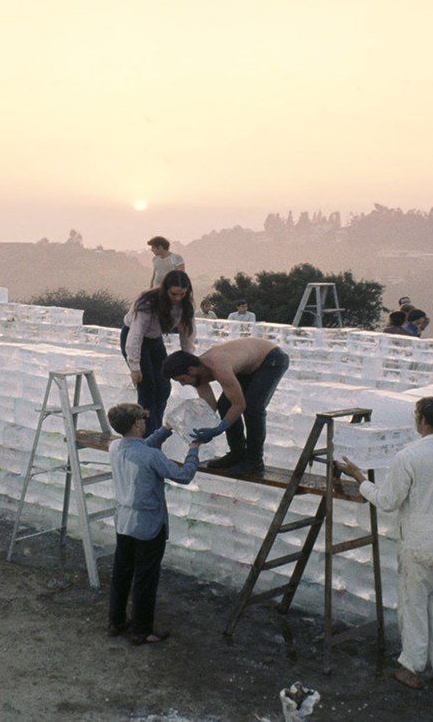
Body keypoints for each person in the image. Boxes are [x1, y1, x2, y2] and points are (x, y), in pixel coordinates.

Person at [338, 396, 433, 699]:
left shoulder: (410, 456)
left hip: (424, 539)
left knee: (414, 605)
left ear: (422, 420)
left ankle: (411, 668)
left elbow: (388, 502)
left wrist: (361, 480)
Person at [105, 403, 200, 645]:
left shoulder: (114, 447)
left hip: (124, 521)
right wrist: (193, 450)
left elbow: (140, 447)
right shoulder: (152, 456)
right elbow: (184, 475)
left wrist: (165, 430)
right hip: (148, 524)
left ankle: (116, 622)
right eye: (143, 420)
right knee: (146, 578)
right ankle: (141, 630)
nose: (145, 423)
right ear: (137, 424)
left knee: (122, 573)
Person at [161, 337, 290, 476]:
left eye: (182, 380)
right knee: (224, 404)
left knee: (253, 408)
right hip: (248, 366)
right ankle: (237, 453)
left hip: (271, 359)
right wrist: (195, 424)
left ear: (191, 370)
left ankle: (254, 460)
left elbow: (239, 405)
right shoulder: (199, 373)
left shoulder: (218, 366)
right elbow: (210, 406)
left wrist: (219, 428)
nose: (183, 384)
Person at [121, 270, 196, 437]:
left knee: (163, 387)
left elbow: (187, 334)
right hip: (135, 338)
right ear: (165, 289)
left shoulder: (185, 304)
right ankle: (145, 435)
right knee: (147, 388)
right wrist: (134, 366)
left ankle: (156, 433)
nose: (177, 298)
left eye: (182, 294)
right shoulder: (148, 301)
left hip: (155, 341)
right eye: (173, 294)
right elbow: (136, 334)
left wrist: (188, 361)